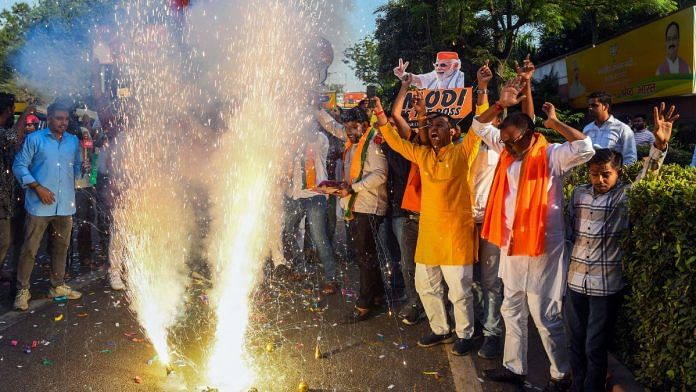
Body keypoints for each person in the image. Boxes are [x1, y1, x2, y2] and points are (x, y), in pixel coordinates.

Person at [473, 79, 595, 390]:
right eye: (503, 142)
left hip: (542, 248)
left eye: (512, 141)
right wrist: (500, 105)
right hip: (512, 245)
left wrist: (555, 122)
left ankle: (560, 374)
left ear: (529, 136)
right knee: (511, 308)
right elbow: (477, 125)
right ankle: (514, 368)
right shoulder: (505, 152)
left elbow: (585, 147)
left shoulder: (552, 155)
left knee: (544, 315)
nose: (506, 147)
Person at [565, 103, 678, 392]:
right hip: (575, 283)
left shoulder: (623, 198)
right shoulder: (578, 195)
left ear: (616, 174)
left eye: (606, 175)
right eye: (594, 174)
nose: (600, 180)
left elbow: (646, 180)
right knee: (575, 343)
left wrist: (659, 147)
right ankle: (577, 386)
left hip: (606, 286)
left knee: (595, 345)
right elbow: (568, 233)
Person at [376, 74, 483, 355]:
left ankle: (466, 334)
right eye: (431, 126)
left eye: (440, 125)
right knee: (426, 285)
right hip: (429, 235)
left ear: (453, 132)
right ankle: (440, 329)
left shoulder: (463, 153)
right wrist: (378, 113)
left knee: (460, 290)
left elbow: (480, 125)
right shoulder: (423, 156)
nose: (433, 130)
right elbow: (395, 140)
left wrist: (482, 89)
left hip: (456, 235)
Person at [12, 100, 87, 311]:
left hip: (65, 205)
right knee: (30, 249)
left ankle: (58, 285)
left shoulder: (73, 141)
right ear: (49, 118)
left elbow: (77, 170)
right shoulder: (35, 139)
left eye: (66, 119)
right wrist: (37, 187)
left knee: (61, 247)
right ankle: (22, 290)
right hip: (39, 205)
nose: (63, 122)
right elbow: (19, 165)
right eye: (58, 118)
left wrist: (83, 166)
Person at [315, 105, 388, 322]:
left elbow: (381, 174)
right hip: (356, 205)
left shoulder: (373, 142)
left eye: (352, 128)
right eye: (346, 128)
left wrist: (353, 188)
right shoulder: (353, 138)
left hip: (369, 206)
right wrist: (317, 109)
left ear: (364, 125)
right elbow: (333, 126)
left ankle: (364, 304)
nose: (347, 132)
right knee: (366, 254)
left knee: (364, 256)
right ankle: (376, 295)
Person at [283, 123, 339, 294]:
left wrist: (308, 117)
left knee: (318, 237)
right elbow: (290, 172)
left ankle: (331, 278)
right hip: (297, 196)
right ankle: (300, 267)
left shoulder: (320, 140)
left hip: (316, 196)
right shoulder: (295, 145)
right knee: (287, 231)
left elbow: (312, 137)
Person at [1, 94, 33, 293]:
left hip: (12, 196)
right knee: (3, 240)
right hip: (2, 199)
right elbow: (14, 137)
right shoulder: (5, 132)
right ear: (8, 109)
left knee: (13, 238)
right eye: (13, 109)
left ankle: (11, 276)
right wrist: (27, 112)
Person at [583, 91, 636, 165]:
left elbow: (630, 157)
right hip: (592, 174)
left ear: (606, 106)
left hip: (613, 174)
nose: (590, 108)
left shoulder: (622, 128)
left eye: (594, 105)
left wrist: (619, 174)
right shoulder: (587, 129)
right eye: (589, 105)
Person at [393, 52, 465, 90]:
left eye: (443, 65)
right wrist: (402, 75)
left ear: (455, 66)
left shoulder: (461, 76)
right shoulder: (434, 75)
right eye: (437, 65)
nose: (438, 68)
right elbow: (417, 80)